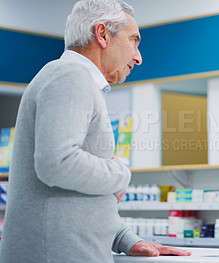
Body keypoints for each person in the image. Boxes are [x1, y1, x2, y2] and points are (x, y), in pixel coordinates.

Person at [0, 0, 190, 262]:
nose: (138, 56)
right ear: (102, 35)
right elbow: (57, 163)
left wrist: (125, 238)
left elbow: (76, 197)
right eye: (134, 40)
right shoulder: (69, 75)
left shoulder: (74, 79)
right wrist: (120, 173)